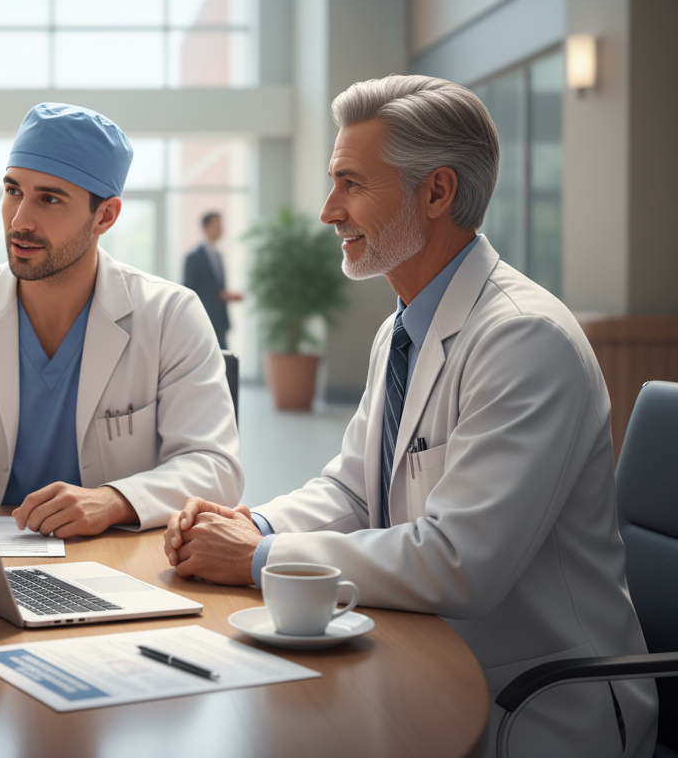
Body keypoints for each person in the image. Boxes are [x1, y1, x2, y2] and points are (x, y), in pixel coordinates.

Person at [163, 75, 656, 757]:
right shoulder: (401, 331)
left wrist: (258, 557)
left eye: (351, 183)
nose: (328, 210)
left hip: (538, 700)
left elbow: (459, 561)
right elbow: (350, 489)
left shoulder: (524, 339)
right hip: (426, 657)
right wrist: (255, 521)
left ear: (437, 192)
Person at [0, 103, 242, 538]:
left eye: (49, 199)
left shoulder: (171, 316)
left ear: (105, 216)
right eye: (13, 192)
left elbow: (216, 469)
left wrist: (113, 500)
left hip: (117, 562)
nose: (20, 220)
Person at [182, 211, 241, 349]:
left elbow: (216, 287)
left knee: (224, 359)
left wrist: (226, 295)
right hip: (203, 318)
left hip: (220, 319)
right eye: (217, 225)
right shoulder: (194, 257)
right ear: (206, 227)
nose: (221, 229)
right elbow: (189, 288)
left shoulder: (218, 255)